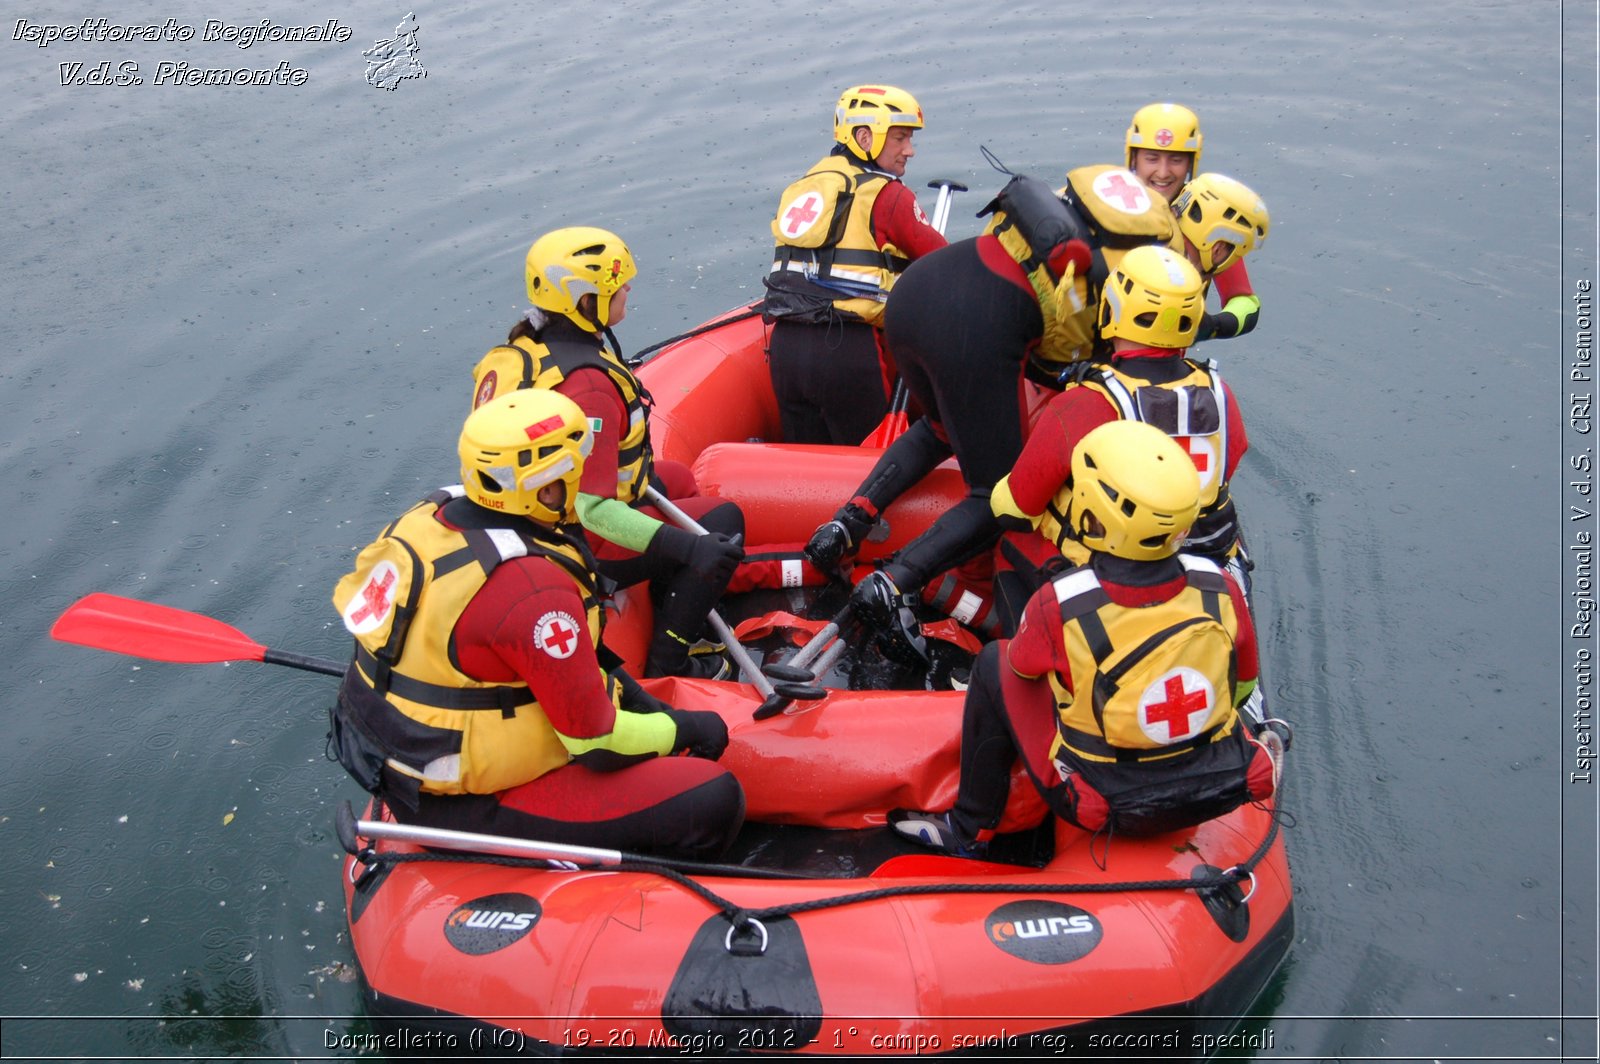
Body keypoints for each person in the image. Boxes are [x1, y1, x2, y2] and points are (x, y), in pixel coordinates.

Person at [328, 389, 745, 860]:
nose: (587, 481)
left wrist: (641, 698)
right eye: (575, 472)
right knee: (713, 798)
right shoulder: (531, 588)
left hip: (408, 760)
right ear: (544, 489)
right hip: (467, 803)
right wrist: (690, 728)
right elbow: (598, 744)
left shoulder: (427, 518)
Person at [803, 159, 1181, 659]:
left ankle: (847, 522)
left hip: (918, 292)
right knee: (998, 493)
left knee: (938, 426)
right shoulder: (1125, 266)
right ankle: (893, 584)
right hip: (974, 327)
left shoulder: (1057, 222)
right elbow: (1075, 356)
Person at [887, 419, 1277, 854]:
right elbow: (1241, 687)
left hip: (1107, 805)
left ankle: (968, 827)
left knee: (996, 662)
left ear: (1091, 511)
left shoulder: (1063, 601)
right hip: (1214, 791)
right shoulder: (1220, 585)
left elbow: (1023, 667)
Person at [473, 227, 746, 680]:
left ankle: (668, 589)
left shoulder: (524, 349)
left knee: (674, 480)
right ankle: (671, 657)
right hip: (578, 538)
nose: (627, 289)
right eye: (615, 286)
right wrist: (688, 546)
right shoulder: (589, 387)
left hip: (527, 511)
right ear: (585, 302)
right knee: (722, 522)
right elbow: (592, 510)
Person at [989, 244, 1252, 632]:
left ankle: (1025, 658)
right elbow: (1230, 460)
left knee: (1007, 540)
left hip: (1111, 572)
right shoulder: (1219, 392)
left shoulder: (1084, 404)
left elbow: (1016, 506)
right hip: (1204, 560)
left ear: (1113, 309)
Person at [762, 84, 948, 445]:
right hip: (844, 352)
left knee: (803, 475)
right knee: (867, 475)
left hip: (784, 349)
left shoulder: (803, 187)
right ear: (865, 137)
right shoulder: (886, 194)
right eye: (899, 139)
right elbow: (941, 263)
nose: (909, 150)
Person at [1126, 102, 1267, 342]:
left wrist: (1213, 326)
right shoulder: (1102, 207)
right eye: (1151, 158)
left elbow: (1246, 303)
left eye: (1176, 160)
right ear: (1133, 159)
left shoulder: (1209, 217)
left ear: (1192, 162)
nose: (1162, 172)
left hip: (1166, 360)